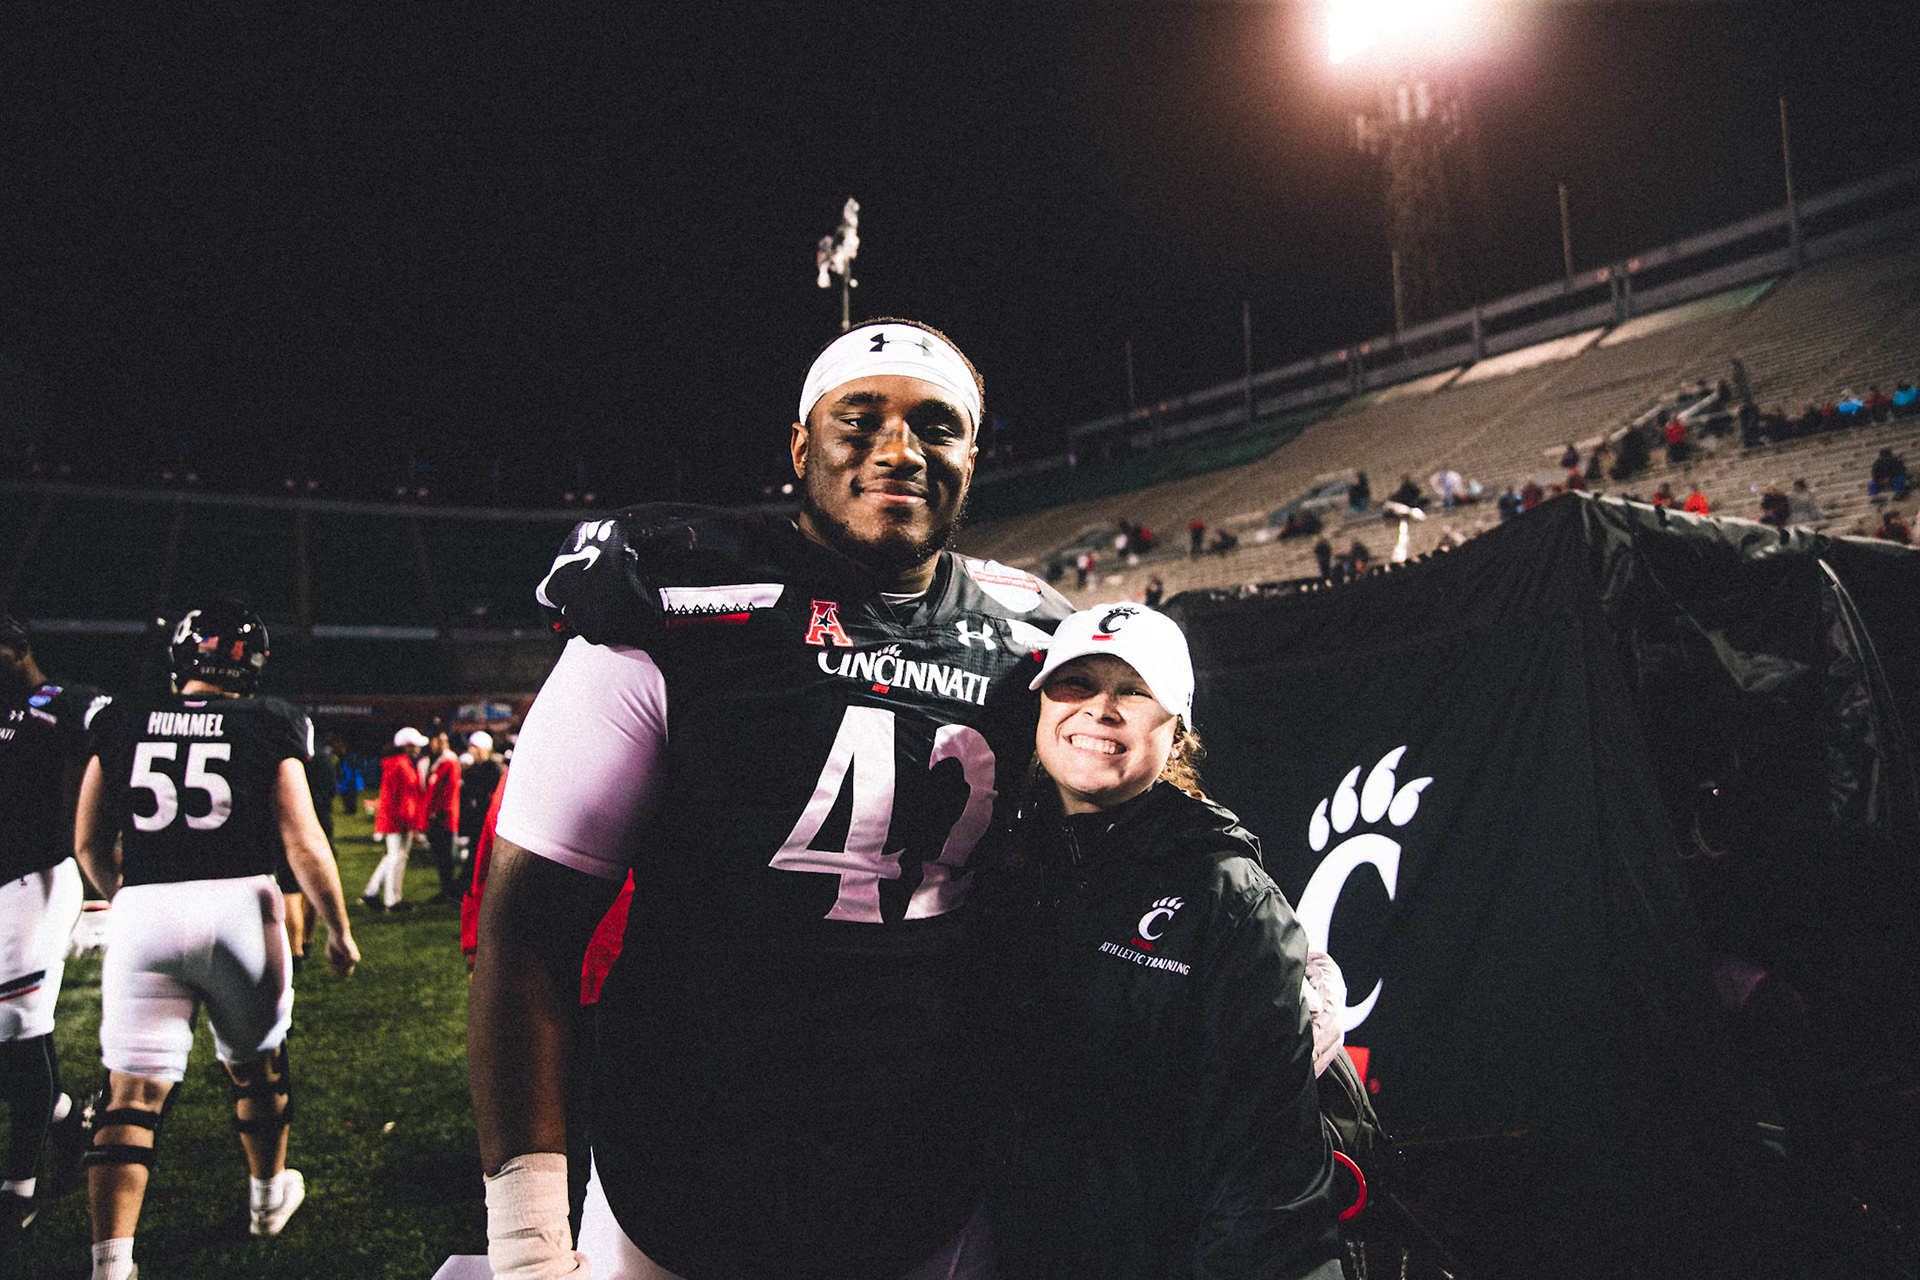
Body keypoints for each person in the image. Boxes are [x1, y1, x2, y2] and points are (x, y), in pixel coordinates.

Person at [468, 318, 1073, 1280]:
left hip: (928, 1176)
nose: (899, 449)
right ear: (800, 447)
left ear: (973, 455)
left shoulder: (1036, 641)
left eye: (937, 425)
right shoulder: (669, 610)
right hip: (680, 1175)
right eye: (859, 419)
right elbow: (529, 935)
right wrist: (528, 1245)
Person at [987, 604, 1341, 1279]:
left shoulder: (1227, 896)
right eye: (1077, 683)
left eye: (1134, 691)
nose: (1101, 709)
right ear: (1041, 707)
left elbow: (1269, 1191)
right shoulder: (1000, 866)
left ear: (1176, 732)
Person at [73, 601, 358, 1280]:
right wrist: (338, 929)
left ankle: (112, 1263)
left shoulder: (121, 718)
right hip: (240, 907)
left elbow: (87, 840)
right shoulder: (270, 720)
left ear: (180, 657)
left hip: (146, 906)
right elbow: (304, 841)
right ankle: (266, 1200)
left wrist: (131, 897)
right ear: (252, 663)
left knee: (129, 1095)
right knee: (257, 1066)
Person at [0, 614, 107, 1249]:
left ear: (17, 649)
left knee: (18, 1027)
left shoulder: (65, 702)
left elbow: (123, 740)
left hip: (33, 881)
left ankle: (18, 1189)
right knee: (12, 1042)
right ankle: (67, 1118)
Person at [364, 726, 427, 913]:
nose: (418, 748)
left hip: (395, 818)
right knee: (396, 858)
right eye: (415, 745)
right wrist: (409, 822)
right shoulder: (401, 764)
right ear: (407, 746)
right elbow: (404, 797)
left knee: (393, 857)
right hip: (399, 819)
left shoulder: (398, 763)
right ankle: (392, 900)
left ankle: (372, 892)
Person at [458, 730, 504, 891]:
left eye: (474, 747)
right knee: (474, 852)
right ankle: (468, 885)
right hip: (476, 820)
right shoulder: (472, 770)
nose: (470, 750)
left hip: (487, 819)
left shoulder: (493, 769)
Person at [422, 731, 463, 905]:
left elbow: (450, 791)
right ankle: (446, 891)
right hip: (435, 817)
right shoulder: (434, 762)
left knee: (445, 856)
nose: (441, 744)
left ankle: (449, 892)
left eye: (443, 741)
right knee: (440, 857)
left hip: (443, 818)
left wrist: (440, 813)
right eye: (438, 741)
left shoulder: (449, 762)